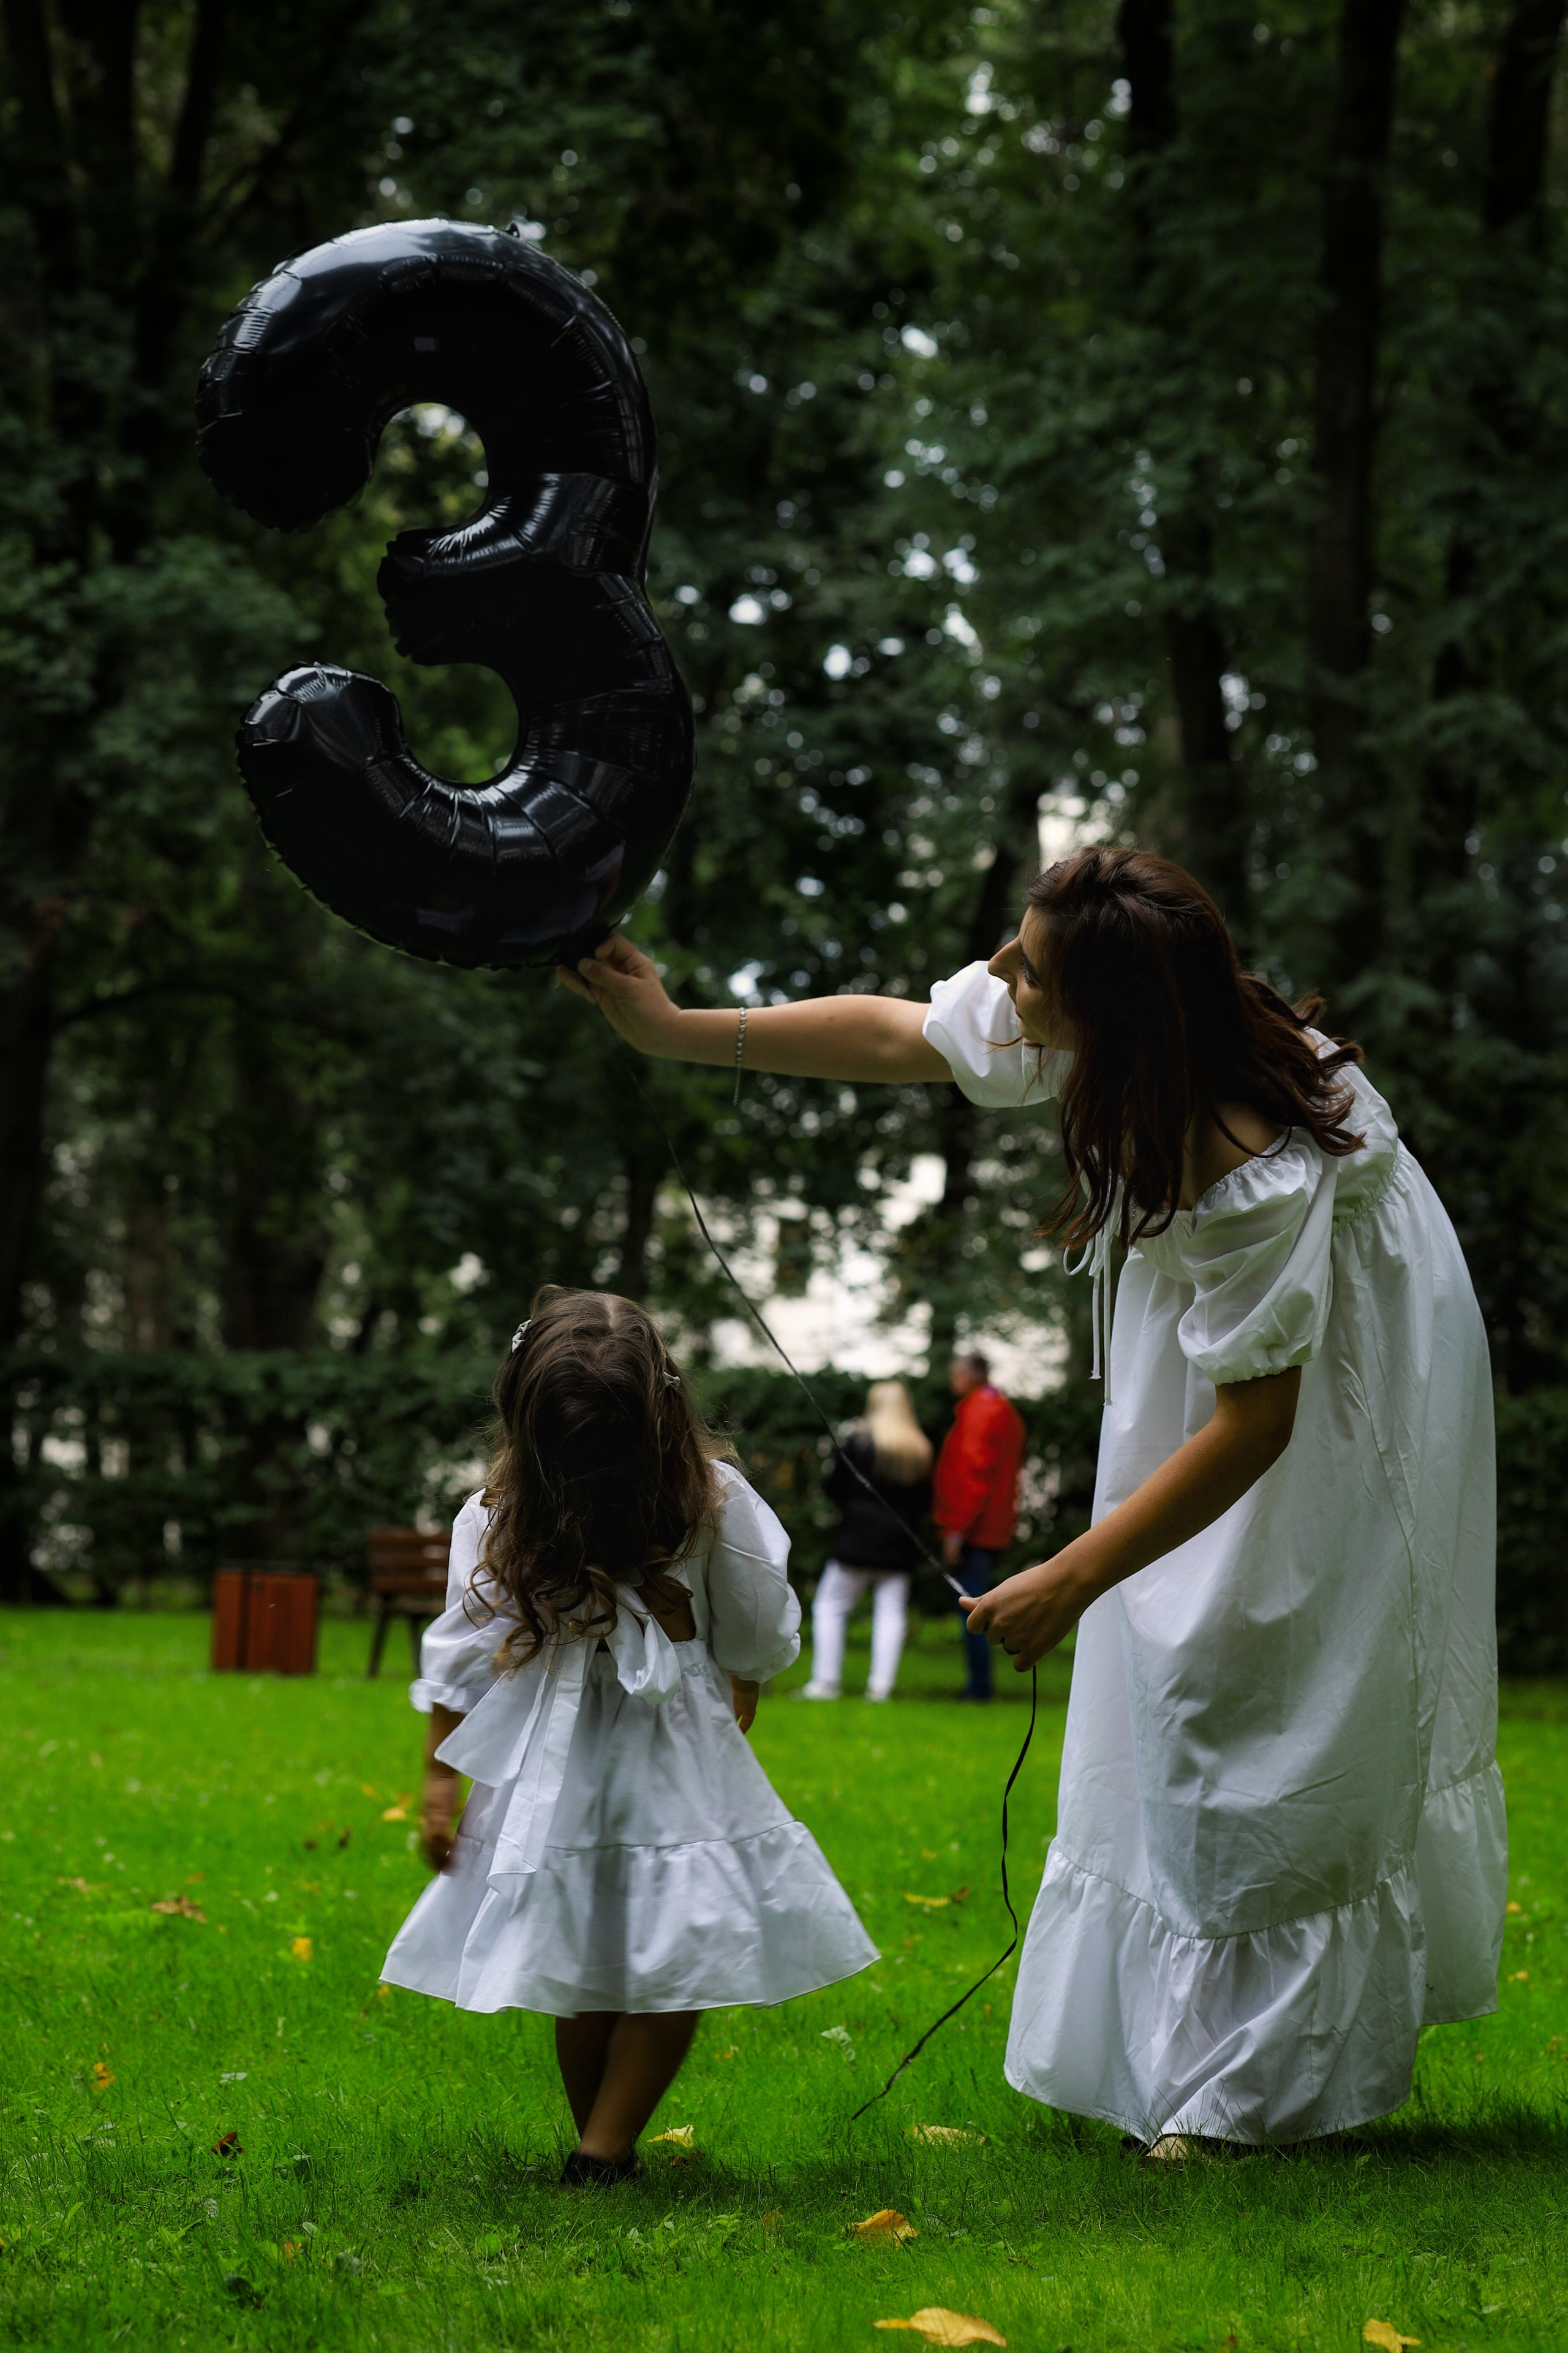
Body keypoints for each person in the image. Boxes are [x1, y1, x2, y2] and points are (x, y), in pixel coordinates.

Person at [558, 845, 1503, 2150]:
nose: (1002, 979)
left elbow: (1258, 1423)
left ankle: (1248, 2089)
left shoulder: (1245, 1155)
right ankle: (1174, 2048)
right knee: (1164, 1681)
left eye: (1028, 969)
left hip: (1343, 1390)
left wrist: (1068, 1574)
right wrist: (667, 1026)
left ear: (1114, 1011)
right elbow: (905, 1037)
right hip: (1221, 1362)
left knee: (1249, 1669)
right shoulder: (1114, 1030)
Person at [380, 1286, 876, 2183]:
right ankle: (603, 2147)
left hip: (551, 1757)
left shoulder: (497, 1511)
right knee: (677, 1944)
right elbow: (762, 1607)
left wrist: (442, 1782)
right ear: (665, 1408)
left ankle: (599, 2145)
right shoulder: (712, 1496)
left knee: (581, 1946)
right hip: (674, 1743)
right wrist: (746, 1668)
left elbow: (458, 1650)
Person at [802, 1378, 933, 1701]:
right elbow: (926, 1501)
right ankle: (880, 1688)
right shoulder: (919, 1448)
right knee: (891, 1612)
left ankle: (825, 1682)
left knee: (830, 1606)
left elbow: (833, 1487)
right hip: (900, 1542)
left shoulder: (859, 1444)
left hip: (857, 1539)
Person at [932, 1350, 1027, 1701]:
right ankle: (979, 1684)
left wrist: (956, 1530)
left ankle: (979, 1687)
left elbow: (973, 1477)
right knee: (978, 1604)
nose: (952, 1380)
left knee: (973, 1609)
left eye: (955, 1373)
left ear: (969, 1376)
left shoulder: (980, 1411)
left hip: (976, 1528)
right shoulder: (1001, 1408)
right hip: (991, 1523)